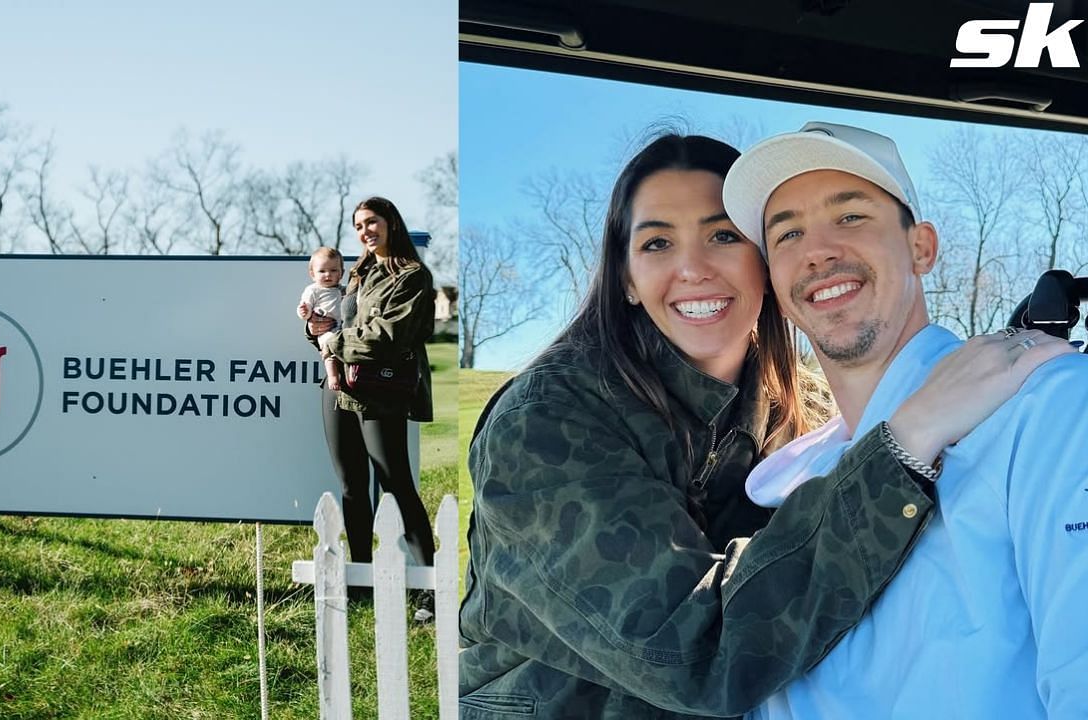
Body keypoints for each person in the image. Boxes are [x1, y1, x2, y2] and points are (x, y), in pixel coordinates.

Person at [458, 134, 1067, 719]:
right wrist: (905, 441)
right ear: (625, 280)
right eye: (656, 244)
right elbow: (693, 650)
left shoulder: (807, 412)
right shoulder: (546, 419)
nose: (694, 268)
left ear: (764, 271)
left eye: (723, 236)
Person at [722, 121, 1088, 719]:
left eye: (851, 216)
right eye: (787, 233)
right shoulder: (781, 487)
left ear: (921, 247)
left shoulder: (1048, 406)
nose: (817, 250)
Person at [305, 197, 437, 618]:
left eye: (372, 222)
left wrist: (334, 342)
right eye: (359, 225)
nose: (365, 231)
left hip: (380, 390)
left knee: (395, 483)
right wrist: (317, 330)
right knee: (350, 486)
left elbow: (389, 335)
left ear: (391, 223)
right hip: (337, 386)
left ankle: (429, 586)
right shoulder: (358, 273)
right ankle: (360, 578)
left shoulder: (413, 276)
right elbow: (335, 325)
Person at [296, 247, 345, 391]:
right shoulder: (313, 290)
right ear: (312, 274)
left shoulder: (346, 290)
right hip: (326, 330)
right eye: (322, 271)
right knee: (330, 347)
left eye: (334, 270)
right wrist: (304, 312)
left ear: (341, 273)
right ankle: (332, 376)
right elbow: (306, 310)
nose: (328, 275)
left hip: (342, 329)